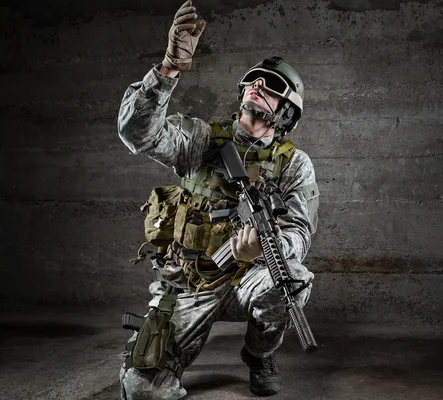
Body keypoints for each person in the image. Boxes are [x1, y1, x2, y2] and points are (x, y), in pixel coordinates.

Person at [116, 1, 320, 399]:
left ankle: (259, 354)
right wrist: (167, 71)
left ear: (287, 112)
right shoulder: (202, 140)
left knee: (291, 280)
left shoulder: (294, 164)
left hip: (247, 280)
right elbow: (136, 134)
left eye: (272, 86)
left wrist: (267, 247)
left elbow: (299, 230)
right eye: (252, 81)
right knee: (142, 390)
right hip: (191, 283)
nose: (258, 86)